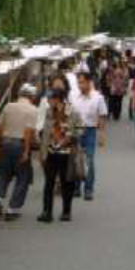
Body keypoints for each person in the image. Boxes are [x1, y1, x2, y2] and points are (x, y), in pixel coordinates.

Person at [38, 89, 84, 223]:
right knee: (49, 182)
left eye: (50, 99)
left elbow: (81, 128)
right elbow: (45, 132)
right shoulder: (49, 112)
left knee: (66, 183)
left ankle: (66, 211)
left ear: (58, 99)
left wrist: (72, 136)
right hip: (51, 151)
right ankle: (47, 212)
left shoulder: (72, 111)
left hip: (67, 153)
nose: (48, 101)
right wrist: (42, 152)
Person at [0, 83, 38, 221]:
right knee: (23, 177)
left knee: (4, 173)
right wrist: (27, 151)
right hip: (20, 145)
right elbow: (29, 132)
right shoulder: (32, 110)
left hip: (6, 143)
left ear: (19, 94)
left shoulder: (8, 106)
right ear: (32, 96)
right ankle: (12, 209)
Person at [71, 72, 108, 201]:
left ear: (88, 82)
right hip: (76, 130)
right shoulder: (74, 97)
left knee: (89, 159)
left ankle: (88, 189)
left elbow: (102, 116)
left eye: (82, 82)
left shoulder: (98, 98)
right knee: (76, 159)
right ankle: (76, 187)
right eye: (78, 83)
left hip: (90, 131)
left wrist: (102, 135)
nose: (80, 85)